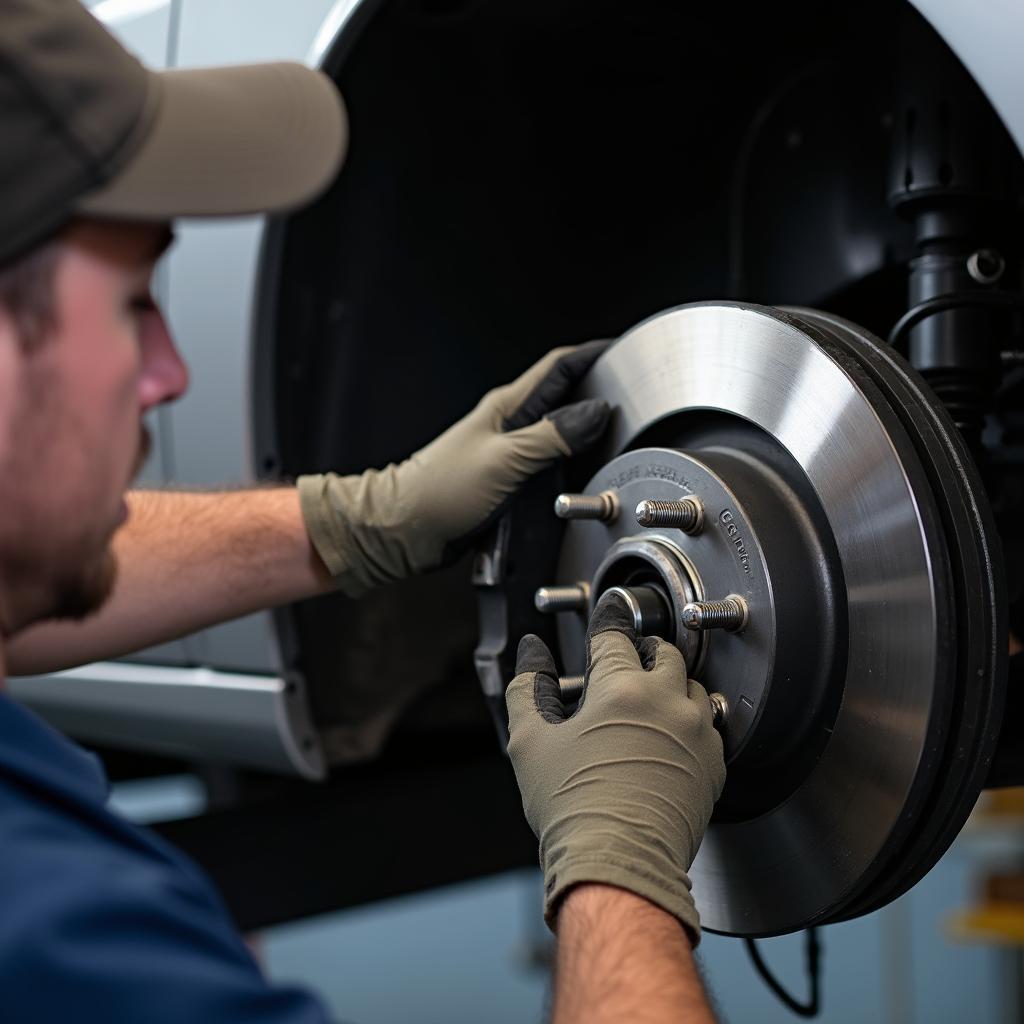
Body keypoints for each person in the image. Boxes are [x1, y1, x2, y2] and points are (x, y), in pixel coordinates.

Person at [0, 1, 726, 1021]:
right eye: (132, 302)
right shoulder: (74, 943)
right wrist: (620, 869)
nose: (167, 371)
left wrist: (362, 518)